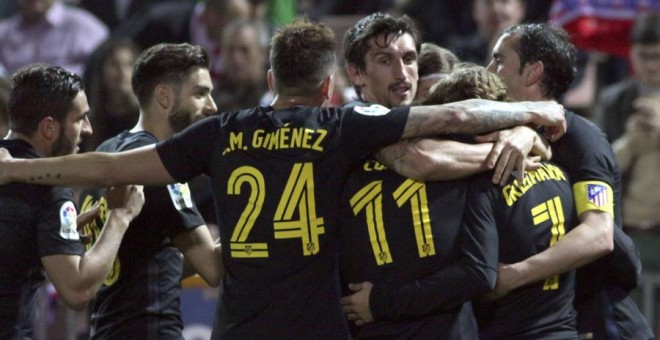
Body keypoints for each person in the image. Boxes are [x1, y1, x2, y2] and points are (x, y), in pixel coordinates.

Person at [0, 18, 566, 338]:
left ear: (271, 77)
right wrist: (534, 116)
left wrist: (19, 169)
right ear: (327, 86)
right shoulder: (341, 125)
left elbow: (111, 166)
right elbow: (456, 117)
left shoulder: (221, 131)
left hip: (240, 328)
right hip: (316, 326)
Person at [486, 22, 654, 339]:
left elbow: (598, 234)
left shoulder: (581, 139)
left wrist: (514, 276)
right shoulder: (513, 134)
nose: (489, 69)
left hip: (602, 321)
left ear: (532, 72)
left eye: (499, 60)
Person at [77, 42, 223, 339]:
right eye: (200, 93)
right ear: (165, 97)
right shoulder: (159, 168)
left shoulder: (108, 154)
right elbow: (213, 268)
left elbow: (138, 259)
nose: (212, 107)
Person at [0, 64, 144, 339]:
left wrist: (49, 235)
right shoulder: (47, 189)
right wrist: (119, 217)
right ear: (49, 128)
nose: (88, 129)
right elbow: (76, 290)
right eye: (80, 119)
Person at [593, 11, 660, 143]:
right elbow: (599, 155)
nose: (651, 65)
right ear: (631, 53)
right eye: (643, 56)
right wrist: (628, 141)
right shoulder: (612, 100)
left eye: (657, 56)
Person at [0, 0, 108, 77]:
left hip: (70, 101)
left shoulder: (83, 26)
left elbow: (105, 69)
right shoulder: (4, 32)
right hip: (15, 102)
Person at [81, 38, 140, 152]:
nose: (123, 72)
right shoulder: (89, 123)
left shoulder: (146, 115)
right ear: (101, 71)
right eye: (114, 65)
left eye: (129, 64)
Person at [212, 19, 269, 112]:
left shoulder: (278, 98)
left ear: (262, 54)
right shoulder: (212, 103)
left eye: (244, 50)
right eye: (230, 50)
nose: (236, 59)